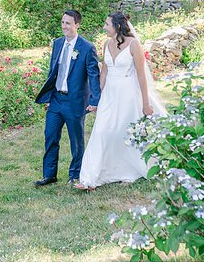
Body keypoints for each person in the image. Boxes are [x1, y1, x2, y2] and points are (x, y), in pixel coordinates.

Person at [76, 13, 166, 190]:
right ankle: (90, 178)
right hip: (109, 94)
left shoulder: (134, 45)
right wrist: (96, 98)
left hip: (128, 94)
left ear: (117, 26)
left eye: (107, 24)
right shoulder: (106, 44)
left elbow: (141, 75)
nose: (104, 27)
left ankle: (128, 170)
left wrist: (146, 103)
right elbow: (104, 73)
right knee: (101, 131)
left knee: (124, 133)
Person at [34, 10, 102, 188]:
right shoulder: (57, 44)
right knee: (50, 136)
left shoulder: (87, 48)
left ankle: (75, 175)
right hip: (56, 99)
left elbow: (94, 76)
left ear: (77, 25)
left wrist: (95, 100)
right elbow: (52, 72)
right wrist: (49, 95)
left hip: (75, 101)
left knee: (76, 140)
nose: (64, 26)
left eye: (68, 23)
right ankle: (49, 175)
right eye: (63, 22)